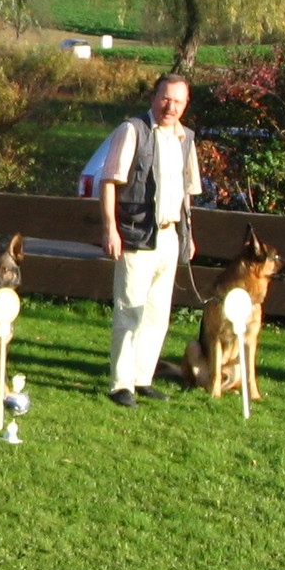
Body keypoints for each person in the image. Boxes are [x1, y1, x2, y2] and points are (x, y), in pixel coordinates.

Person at [99, 75, 201, 408]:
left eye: (178, 101)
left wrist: (188, 234)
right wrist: (110, 228)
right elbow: (109, 181)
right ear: (154, 97)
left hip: (169, 236)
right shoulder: (132, 130)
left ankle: (143, 378)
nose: (171, 107)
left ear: (186, 105)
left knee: (157, 313)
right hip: (135, 234)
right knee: (129, 310)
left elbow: (187, 192)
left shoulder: (187, 138)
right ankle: (121, 384)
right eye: (166, 99)